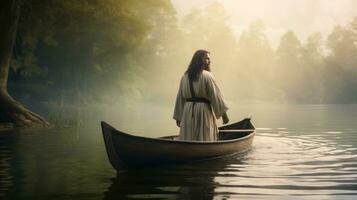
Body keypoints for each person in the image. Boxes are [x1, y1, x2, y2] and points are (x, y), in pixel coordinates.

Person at [173, 49, 229, 141]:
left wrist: (178, 117)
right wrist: (224, 116)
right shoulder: (208, 76)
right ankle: (204, 149)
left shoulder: (184, 76)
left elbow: (180, 98)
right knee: (204, 135)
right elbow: (216, 96)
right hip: (203, 111)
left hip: (188, 111)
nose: (209, 61)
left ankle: (188, 150)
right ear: (199, 60)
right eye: (207, 58)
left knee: (189, 136)